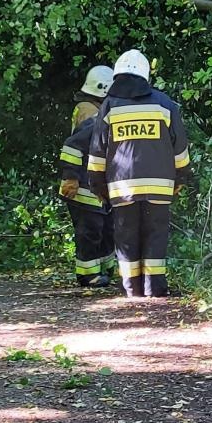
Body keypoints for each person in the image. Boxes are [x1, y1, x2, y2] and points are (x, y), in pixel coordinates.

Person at [87, 50, 191, 298]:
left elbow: (97, 151)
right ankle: (155, 289)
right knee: (156, 236)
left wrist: (98, 186)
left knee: (126, 238)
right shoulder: (164, 104)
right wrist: (182, 178)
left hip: (122, 188)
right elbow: (180, 149)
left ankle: (132, 290)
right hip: (160, 187)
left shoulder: (109, 106)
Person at [57, 66, 115, 286]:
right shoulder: (93, 114)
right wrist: (71, 177)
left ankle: (104, 269)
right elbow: (73, 146)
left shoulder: (89, 108)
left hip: (94, 185)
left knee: (104, 228)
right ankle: (88, 275)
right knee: (90, 231)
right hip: (84, 185)